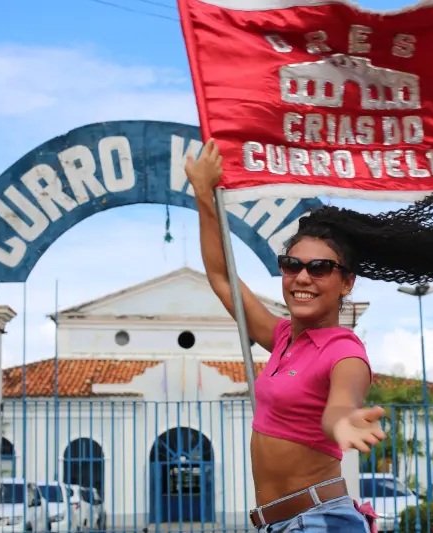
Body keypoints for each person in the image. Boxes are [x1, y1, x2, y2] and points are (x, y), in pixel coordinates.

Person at [186, 139, 385, 533]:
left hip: (319, 522)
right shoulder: (280, 337)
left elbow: (340, 404)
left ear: (346, 282)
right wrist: (204, 195)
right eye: (292, 265)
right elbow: (222, 277)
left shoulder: (344, 351)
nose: (303, 277)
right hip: (279, 525)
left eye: (321, 268)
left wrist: (343, 422)